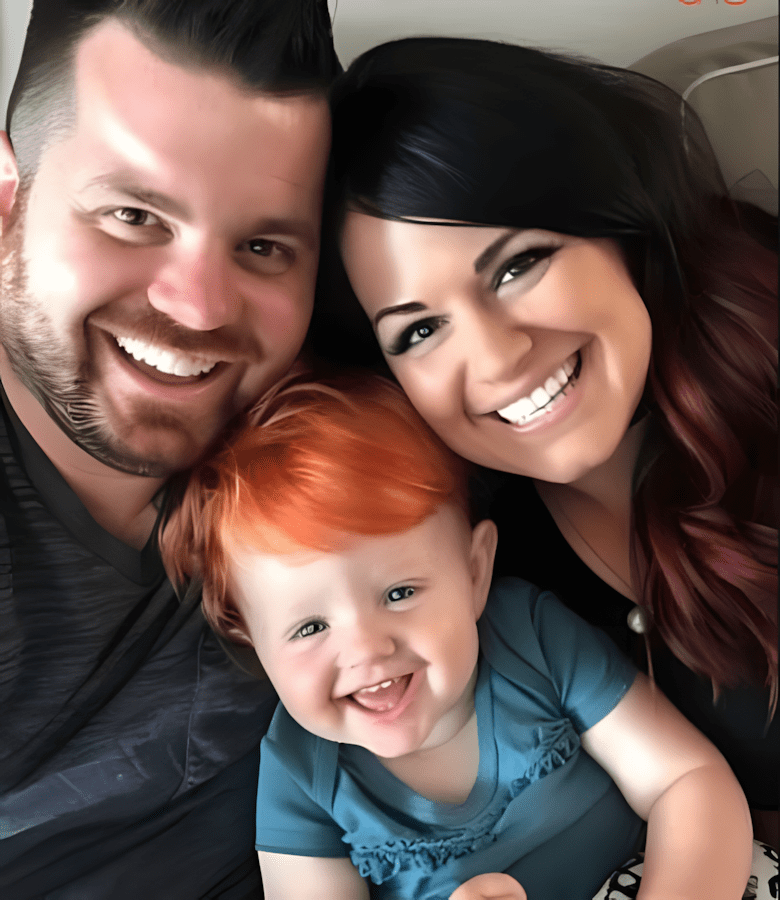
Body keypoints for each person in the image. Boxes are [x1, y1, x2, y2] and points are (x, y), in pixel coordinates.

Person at [314, 36, 779, 846]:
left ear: (616, 223)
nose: (496, 357)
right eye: (419, 330)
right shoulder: (474, 581)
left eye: (517, 265)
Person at [159, 369, 757, 900]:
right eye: (310, 627)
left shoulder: (528, 637)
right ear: (253, 642)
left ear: (474, 572)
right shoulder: (300, 774)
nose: (366, 649)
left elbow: (686, 782)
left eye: (400, 593)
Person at [0, 0, 338, 896]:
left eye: (262, 245)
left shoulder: (339, 425)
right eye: (134, 216)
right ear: (5, 202)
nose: (201, 306)